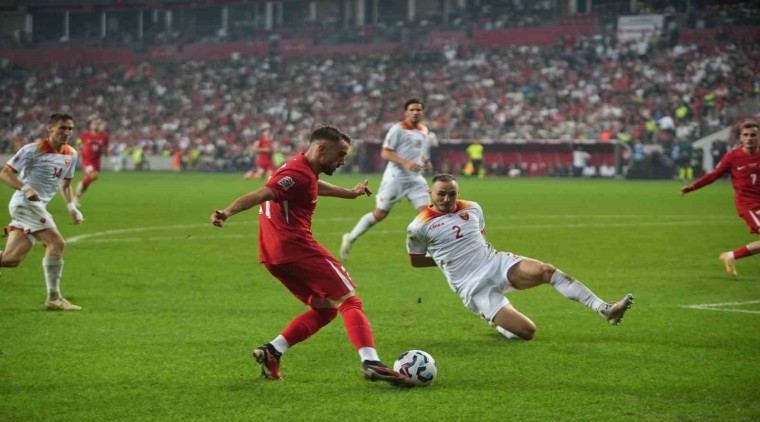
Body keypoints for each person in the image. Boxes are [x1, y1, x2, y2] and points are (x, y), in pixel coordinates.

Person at [211, 125, 413, 386]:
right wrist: (227, 212)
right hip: (296, 248)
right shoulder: (296, 174)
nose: (343, 161)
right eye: (340, 154)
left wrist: (349, 194)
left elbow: (314, 185)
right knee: (349, 300)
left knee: (325, 309)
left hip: (273, 255)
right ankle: (371, 361)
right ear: (321, 148)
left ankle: (272, 351)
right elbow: (264, 193)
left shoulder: (301, 170)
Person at [406, 174, 634, 341]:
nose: (447, 199)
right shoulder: (418, 227)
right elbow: (415, 261)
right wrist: (446, 261)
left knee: (546, 271)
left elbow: (481, 237)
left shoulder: (473, 208)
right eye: (441, 194)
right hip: (471, 285)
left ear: (458, 192)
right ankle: (497, 322)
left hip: (495, 263)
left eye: (452, 194)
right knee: (527, 332)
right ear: (430, 193)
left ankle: (604, 309)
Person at [0, 113, 85, 311]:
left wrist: (72, 209)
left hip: (37, 206)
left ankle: (54, 299)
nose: (66, 132)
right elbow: (5, 173)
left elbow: (65, 185)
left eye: (70, 128)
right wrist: (26, 188)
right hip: (25, 203)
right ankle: (54, 298)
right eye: (62, 128)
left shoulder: (71, 154)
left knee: (12, 260)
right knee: (57, 243)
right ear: (50, 128)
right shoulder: (33, 149)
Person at [340, 98, 431, 260]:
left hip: (415, 180)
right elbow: (385, 153)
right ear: (406, 112)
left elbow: (419, 150)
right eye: (412, 109)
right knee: (380, 214)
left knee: (427, 214)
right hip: (396, 178)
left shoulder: (424, 130)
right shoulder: (398, 129)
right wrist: (406, 163)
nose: (416, 112)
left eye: (418, 109)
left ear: (422, 112)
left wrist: (425, 160)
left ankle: (429, 249)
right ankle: (351, 238)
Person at [680, 120, 760, 277]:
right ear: (741, 138)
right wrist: (692, 187)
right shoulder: (733, 157)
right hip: (747, 204)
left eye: (753, 135)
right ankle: (732, 255)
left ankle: (731, 256)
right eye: (746, 135)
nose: (749, 138)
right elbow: (713, 175)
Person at [73, 117, 109, 206]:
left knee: (91, 179)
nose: (96, 125)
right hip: (87, 160)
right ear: (91, 125)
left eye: (98, 124)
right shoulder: (85, 135)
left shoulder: (104, 136)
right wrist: (78, 150)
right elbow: (78, 142)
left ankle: (77, 196)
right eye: (94, 123)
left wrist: (106, 152)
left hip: (97, 160)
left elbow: (105, 148)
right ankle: (78, 189)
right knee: (93, 175)